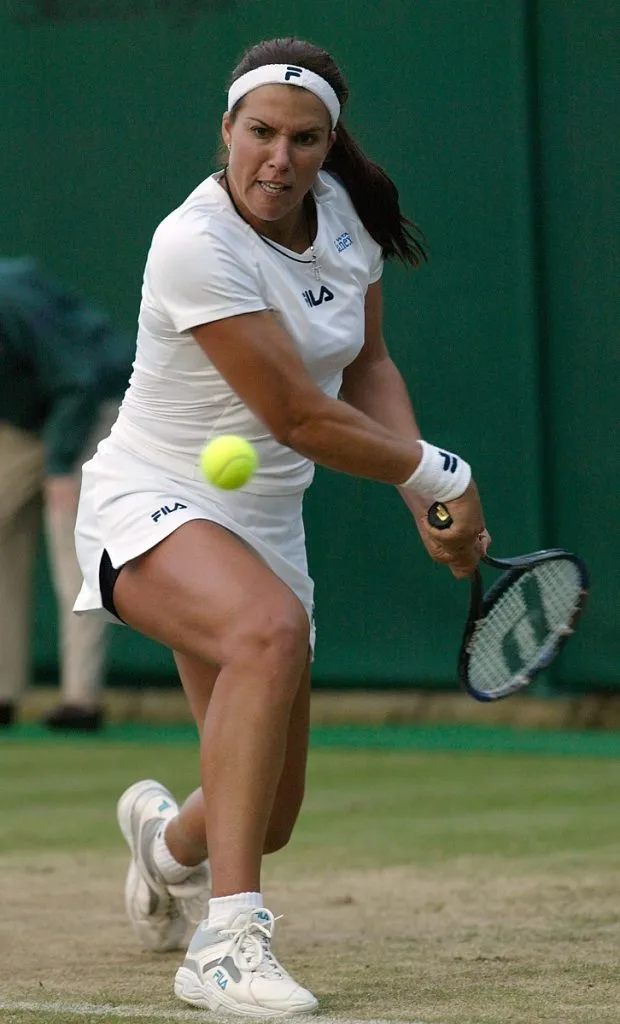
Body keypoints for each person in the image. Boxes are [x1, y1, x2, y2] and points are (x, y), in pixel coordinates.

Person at [73, 36, 490, 1017]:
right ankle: (226, 944)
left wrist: (414, 487)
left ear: (327, 145)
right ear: (225, 130)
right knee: (265, 630)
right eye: (259, 132)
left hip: (264, 524)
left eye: (304, 140)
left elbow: (368, 366)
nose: (279, 158)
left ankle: (164, 845)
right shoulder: (195, 242)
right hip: (148, 499)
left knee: (265, 814)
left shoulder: (345, 222)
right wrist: (441, 471)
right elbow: (296, 415)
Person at [0, 257, 134, 731]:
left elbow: (77, 378)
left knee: (73, 548)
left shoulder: (14, 303)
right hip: (22, 420)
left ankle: (81, 699)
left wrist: (60, 468)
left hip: (88, 405)